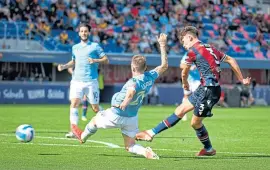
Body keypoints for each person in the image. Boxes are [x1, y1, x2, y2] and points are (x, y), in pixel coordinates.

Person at [136, 26, 251, 156]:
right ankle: (151, 133)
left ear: (189, 37)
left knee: (195, 123)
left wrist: (185, 83)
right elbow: (231, 60)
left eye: (184, 41)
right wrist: (242, 79)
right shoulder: (210, 47)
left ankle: (209, 149)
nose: (184, 45)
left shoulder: (193, 51)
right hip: (204, 88)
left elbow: (184, 71)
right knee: (180, 110)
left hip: (209, 90)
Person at [71, 33, 169, 160]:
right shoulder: (149, 76)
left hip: (117, 113)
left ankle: (82, 137)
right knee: (130, 146)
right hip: (132, 117)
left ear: (133, 67)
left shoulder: (133, 82)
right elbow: (164, 65)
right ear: (145, 68)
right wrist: (162, 45)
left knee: (94, 121)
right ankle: (146, 152)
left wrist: (124, 103)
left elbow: (131, 92)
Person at [58, 23, 109, 138]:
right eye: (81, 31)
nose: (84, 33)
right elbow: (74, 61)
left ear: (89, 33)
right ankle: (74, 130)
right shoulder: (75, 47)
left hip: (91, 81)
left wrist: (95, 60)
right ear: (79, 33)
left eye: (86, 31)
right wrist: (64, 66)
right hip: (76, 81)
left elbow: (106, 60)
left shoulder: (95, 46)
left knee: (95, 108)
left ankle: (109, 117)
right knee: (74, 103)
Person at [180, 52, 201, 121]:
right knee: (186, 95)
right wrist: (190, 67)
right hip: (188, 79)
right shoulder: (187, 54)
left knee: (198, 96)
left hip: (198, 79)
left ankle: (196, 115)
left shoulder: (201, 54)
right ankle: (183, 113)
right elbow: (181, 65)